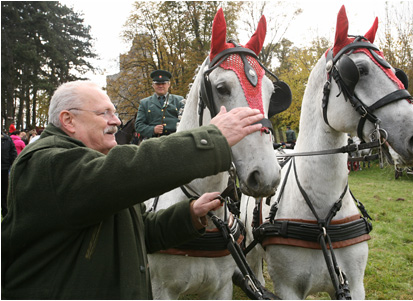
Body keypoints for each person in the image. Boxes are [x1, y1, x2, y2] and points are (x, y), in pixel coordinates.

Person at [1, 80, 264, 299]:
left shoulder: (96, 172)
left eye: (114, 112)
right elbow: (128, 169)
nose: (116, 121)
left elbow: (141, 231)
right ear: (68, 120)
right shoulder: (45, 162)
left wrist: (190, 214)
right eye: (104, 113)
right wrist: (210, 138)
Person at [135, 70, 185, 139]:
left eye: (163, 83)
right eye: (158, 84)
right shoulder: (145, 103)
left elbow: (186, 121)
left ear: (169, 84)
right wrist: (153, 129)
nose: (160, 86)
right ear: (153, 85)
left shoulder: (179, 100)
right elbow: (138, 126)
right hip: (153, 141)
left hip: (175, 139)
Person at [1, 131, 17, 217]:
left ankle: (6, 213)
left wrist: (14, 165)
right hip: (4, 167)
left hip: (4, 168)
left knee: (4, 192)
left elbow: (13, 153)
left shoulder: (7, 139)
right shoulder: (7, 139)